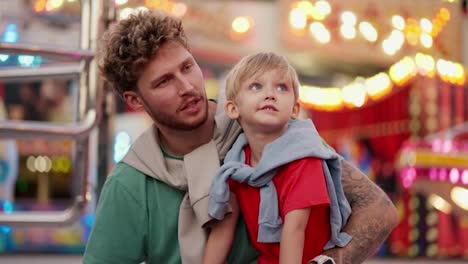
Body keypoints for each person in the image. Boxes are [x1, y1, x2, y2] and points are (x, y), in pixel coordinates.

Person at [83, 11, 398, 264]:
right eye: (164, 81)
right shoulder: (130, 185)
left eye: (187, 67)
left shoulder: (264, 129)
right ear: (136, 101)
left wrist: (329, 261)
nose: (187, 87)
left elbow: (378, 209)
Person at [204, 52, 351, 264]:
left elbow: (295, 230)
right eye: (256, 86)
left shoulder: (303, 158)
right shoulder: (236, 164)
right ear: (233, 108)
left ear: (294, 109)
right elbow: (224, 228)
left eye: (281, 87)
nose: (270, 94)